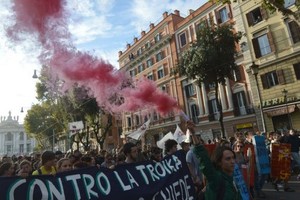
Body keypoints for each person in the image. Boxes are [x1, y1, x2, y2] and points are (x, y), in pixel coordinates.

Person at [187, 121, 242, 200]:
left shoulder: (232, 178)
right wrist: (193, 133)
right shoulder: (216, 178)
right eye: (228, 159)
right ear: (219, 162)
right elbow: (204, 159)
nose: (232, 161)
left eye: (233, 158)